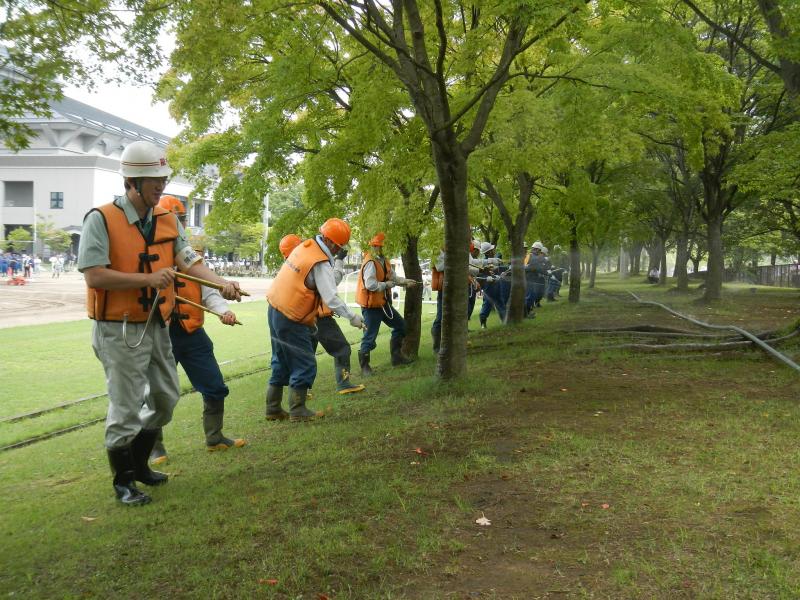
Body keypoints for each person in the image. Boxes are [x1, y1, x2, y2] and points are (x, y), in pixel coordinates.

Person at [79, 141, 242, 506]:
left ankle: (139, 464)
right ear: (133, 181)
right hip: (117, 328)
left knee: (166, 398)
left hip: (156, 324)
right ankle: (124, 481)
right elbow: (94, 276)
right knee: (125, 405)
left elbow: (189, 263)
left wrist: (222, 285)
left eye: (163, 178)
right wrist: (147, 281)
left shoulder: (167, 219)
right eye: (154, 179)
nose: (161, 186)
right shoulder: (101, 219)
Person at [147, 196, 246, 467]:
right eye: (172, 220)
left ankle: (214, 437)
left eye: (180, 221)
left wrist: (223, 310)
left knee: (214, 385)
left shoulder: (192, 258)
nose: (177, 226)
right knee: (157, 393)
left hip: (191, 333)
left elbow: (208, 292)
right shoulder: (148, 258)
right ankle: (153, 448)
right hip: (160, 333)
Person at [265, 219, 364, 422]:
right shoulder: (319, 261)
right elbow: (331, 298)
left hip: (274, 309)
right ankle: (298, 410)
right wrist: (353, 317)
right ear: (330, 241)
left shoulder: (304, 247)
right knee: (304, 361)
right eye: (338, 246)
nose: (338, 250)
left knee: (281, 360)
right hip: (291, 317)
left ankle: (273, 408)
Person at [356, 232, 417, 375]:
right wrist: (387, 285)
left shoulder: (384, 260)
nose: (385, 249)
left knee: (401, 326)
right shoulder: (370, 262)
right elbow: (371, 285)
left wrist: (405, 282)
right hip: (371, 306)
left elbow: (393, 277)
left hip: (383, 304)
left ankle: (397, 358)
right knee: (370, 337)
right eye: (383, 246)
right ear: (376, 246)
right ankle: (365, 367)